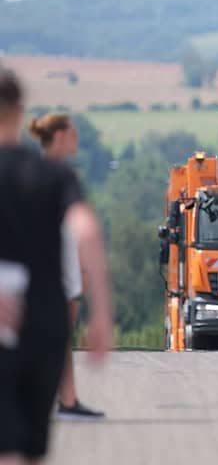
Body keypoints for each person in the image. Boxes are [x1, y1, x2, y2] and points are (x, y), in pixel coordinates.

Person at [0, 70, 112, 464]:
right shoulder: (54, 175)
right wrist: (101, 312)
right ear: (19, 110)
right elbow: (87, 231)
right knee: (31, 446)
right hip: (45, 318)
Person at [27, 114, 104, 420]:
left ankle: (67, 400)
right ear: (58, 136)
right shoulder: (58, 176)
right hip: (60, 265)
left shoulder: (34, 171)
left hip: (56, 264)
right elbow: (80, 228)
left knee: (59, 336)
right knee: (58, 335)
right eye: (72, 132)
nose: (77, 137)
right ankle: (61, 401)